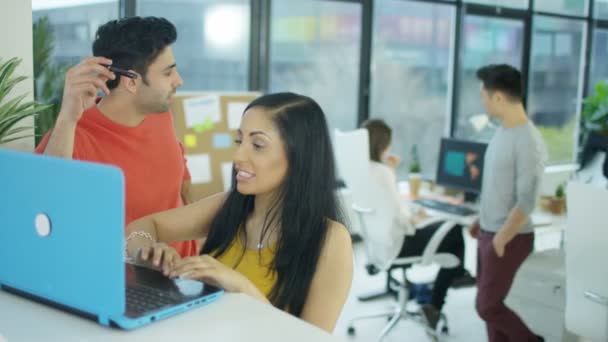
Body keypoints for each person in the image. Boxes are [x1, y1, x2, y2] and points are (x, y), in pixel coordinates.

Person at [125, 92, 354, 332]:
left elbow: (311, 339)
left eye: (257, 145)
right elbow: (142, 227)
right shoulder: (231, 206)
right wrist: (147, 251)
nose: (238, 157)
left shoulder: (331, 239)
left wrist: (241, 287)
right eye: (239, 141)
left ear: (300, 157)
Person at [35, 16, 198, 257]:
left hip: (188, 274)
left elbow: (181, 186)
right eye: (168, 73)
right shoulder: (70, 137)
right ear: (130, 82)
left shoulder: (160, 113)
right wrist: (67, 118)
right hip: (129, 284)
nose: (179, 81)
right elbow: (45, 211)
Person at [361, 119, 467, 330]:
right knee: (454, 231)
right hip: (398, 244)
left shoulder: (364, 168)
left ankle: (454, 277)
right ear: (382, 145)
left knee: (443, 229)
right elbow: (401, 218)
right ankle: (437, 303)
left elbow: (385, 207)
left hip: (379, 244)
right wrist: (415, 220)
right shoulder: (382, 173)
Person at [471, 64, 547, 342]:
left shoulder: (529, 141)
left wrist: (501, 239)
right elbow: (496, 185)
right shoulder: (501, 133)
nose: (483, 101)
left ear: (499, 97)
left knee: (487, 306)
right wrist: (482, 220)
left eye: (484, 95)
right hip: (488, 232)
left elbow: (527, 200)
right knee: (490, 314)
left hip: (509, 238)